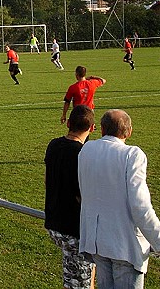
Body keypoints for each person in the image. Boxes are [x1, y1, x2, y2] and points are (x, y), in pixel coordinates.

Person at [78, 109, 160, 288]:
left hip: (97, 241)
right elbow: (140, 206)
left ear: (102, 129)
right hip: (124, 245)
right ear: (129, 132)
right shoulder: (132, 155)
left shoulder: (87, 149)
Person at [45, 105, 96, 289]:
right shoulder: (84, 154)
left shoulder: (53, 145)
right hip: (73, 229)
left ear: (68, 123)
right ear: (92, 128)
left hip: (53, 222)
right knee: (79, 282)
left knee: (80, 275)